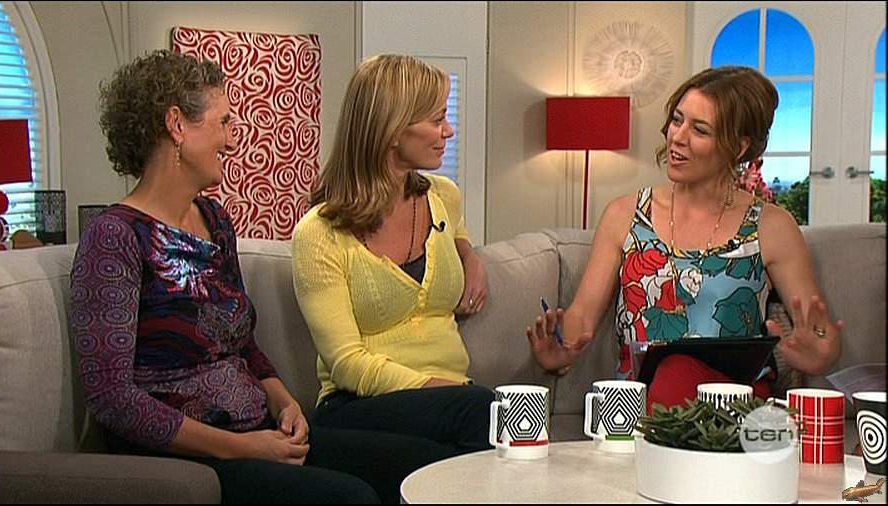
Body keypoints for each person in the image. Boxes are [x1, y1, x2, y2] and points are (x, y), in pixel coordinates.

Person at [71, 49, 456, 504]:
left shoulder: (214, 220)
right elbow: (112, 398)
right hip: (187, 459)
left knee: (428, 468)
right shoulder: (114, 237)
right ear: (177, 125)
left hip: (258, 431)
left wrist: (285, 402)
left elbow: (243, 345)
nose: (231, 140)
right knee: (350, 497)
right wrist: (243, 448)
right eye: (223, 122)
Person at [526, 66, 843, 410]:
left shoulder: (772, 226)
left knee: (678, 370)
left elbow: (820, 334)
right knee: (672, 373)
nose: (678, 137)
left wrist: (820, 354)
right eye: (677, 120)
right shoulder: (624, 214)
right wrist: (559, 350)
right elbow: (582, 318)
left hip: (733, 405)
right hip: (639, 403)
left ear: (738, 146)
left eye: (700, 130)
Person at [291, 54, 495, 457]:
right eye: (437, 119)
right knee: (485, 412)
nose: (449, 130)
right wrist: (440, 389)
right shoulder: (319, 233)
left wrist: (469, 254)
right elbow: (346, 363)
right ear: (392, 130)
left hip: (448, 405)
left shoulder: (443, 197)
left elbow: (457, 230)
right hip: (359, 403)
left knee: (464, 445)